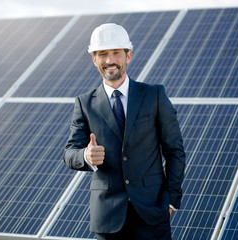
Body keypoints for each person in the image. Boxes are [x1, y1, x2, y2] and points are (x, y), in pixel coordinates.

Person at [63, 23, 186, 240]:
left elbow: (175, 151)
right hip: (108, 219)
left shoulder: (154, 95)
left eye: (116, 53)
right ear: (94, 59)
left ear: (128, 56)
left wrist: (171, 201)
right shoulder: (85, 104)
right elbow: (69, 153)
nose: (110, 60)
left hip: (153, 214)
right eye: (102, 54)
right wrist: (85, 156)